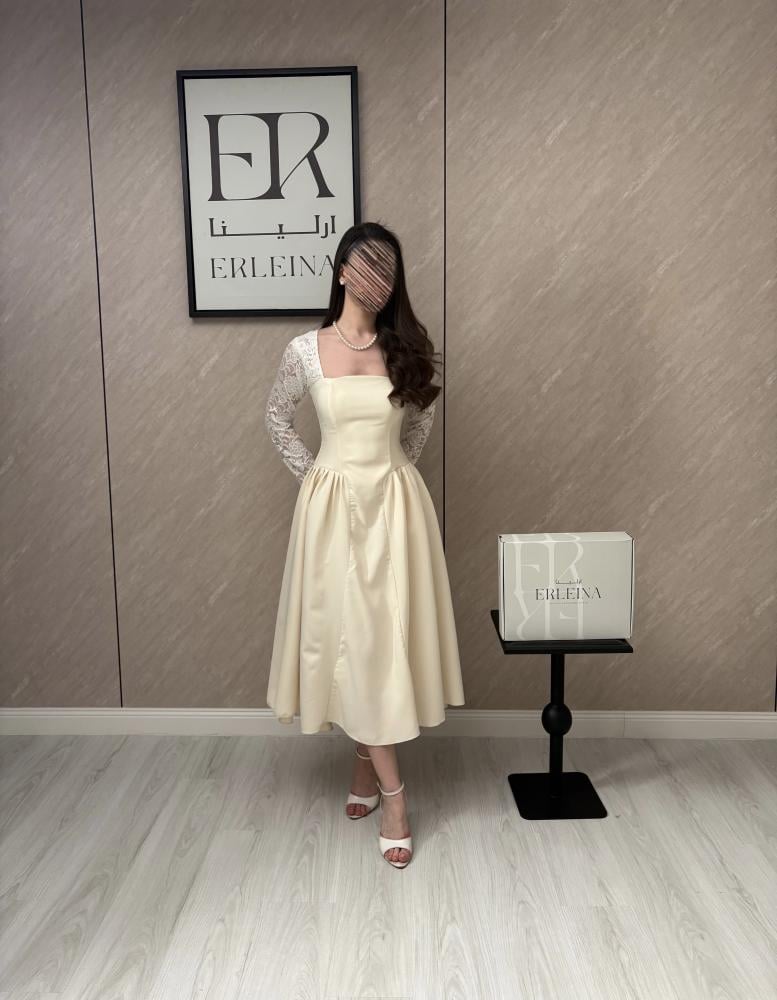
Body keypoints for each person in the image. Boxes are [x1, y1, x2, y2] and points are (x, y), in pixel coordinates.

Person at [264, 221, 466, 868]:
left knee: (380, 641)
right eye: (368, 263)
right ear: (342, 270)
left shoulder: (404, 349)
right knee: (350, 637)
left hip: (394, 512)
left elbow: (418, 425)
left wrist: (392, 476)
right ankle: (394, 795)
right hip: (331, 517)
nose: (378, 277)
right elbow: (276, 417)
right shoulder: (304, 350)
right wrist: (319, 477)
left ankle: (369, 775)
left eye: (389, 267)